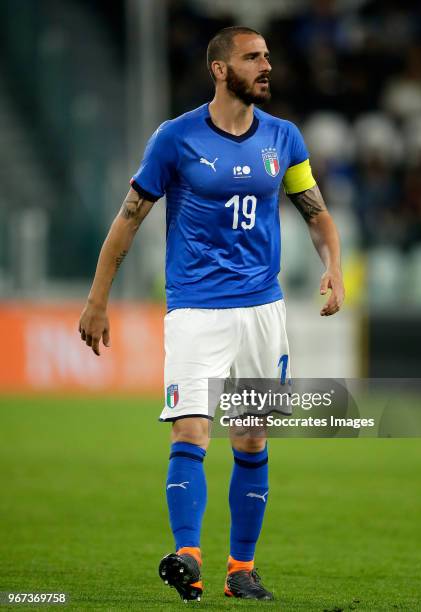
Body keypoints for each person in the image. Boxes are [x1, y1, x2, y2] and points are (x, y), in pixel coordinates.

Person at [78, 25, 344, 602]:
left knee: (250, 442)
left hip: (262, 313)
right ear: (220, 70)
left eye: (267, 56)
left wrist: (334, 266)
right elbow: (128, 219)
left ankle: (240, 571)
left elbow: (316, 214)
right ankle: (188, 557)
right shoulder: (175, 139)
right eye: (253, 58)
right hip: (196, 310)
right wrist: (98, 298)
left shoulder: (284, 138)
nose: (266, 65)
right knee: (191, 429)